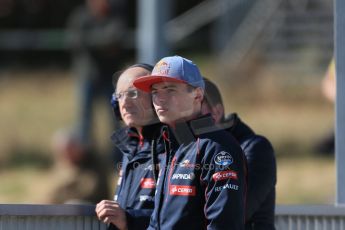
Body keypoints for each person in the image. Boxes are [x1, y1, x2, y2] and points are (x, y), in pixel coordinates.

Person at [133, 55, 247, 230]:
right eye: (155, 92)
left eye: (170, 89)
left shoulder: (217, 147)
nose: (160, 99)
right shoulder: (170, 145)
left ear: (197, 94)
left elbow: (224, 224)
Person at [201, 78, 277, 230]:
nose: (187, 115)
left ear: (216, 112)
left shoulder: (255, 148)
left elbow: (235, 212)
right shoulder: (183, 150)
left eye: (195, 106)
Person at [95, 64, 164, 230]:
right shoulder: (130, 146)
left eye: (133, 93)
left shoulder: (177, 146)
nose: (124, 103)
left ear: (156, 98)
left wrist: (130, 220)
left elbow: (184, 217)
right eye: (119, 96)